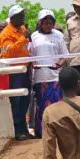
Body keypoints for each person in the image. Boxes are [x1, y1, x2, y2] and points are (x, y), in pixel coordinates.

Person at [30, 9, 69, 138]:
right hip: (40, 77)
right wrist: (33, 64)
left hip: (55, 77)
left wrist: (60, 64)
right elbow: (30, 56)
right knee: (42, 105)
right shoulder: (34, 36)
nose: (48, 25)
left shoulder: (58, 35)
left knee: (56, 105)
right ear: (40, 23)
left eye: (50, 22)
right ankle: (41, 132)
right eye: (45, 22)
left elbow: (65, 55)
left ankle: (56, 131)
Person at [0, 5, 32, 140]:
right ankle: (17, 131)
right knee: (16, 102)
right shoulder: (5, 33)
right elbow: (10, 51)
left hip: (24, 70)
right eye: (20, 16)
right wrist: (23, 38)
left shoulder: (22, 29)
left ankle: (24, 129)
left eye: (23, 15)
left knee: (25, 100)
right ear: (13, 18)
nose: (23, 18)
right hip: (13, 72)